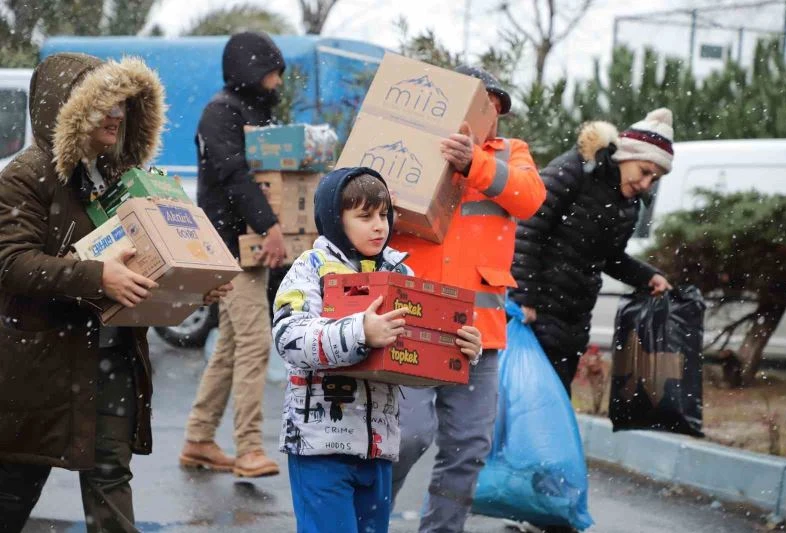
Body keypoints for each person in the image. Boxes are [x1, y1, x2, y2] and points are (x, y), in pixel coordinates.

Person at [0, 52, 231, 533]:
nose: (117, 115)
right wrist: (95, 276)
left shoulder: (116, 177)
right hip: (41, 365)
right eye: (104, 104)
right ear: (68, 108)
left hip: (110, 359)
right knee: (17, 482)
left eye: (123, 104)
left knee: (109, 478)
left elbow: (142, 264)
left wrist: (191, 289)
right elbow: (11, 263)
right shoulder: (25, 174)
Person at [272, 167, 483, 533]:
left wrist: (459, 349)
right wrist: (359, 333)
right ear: (335, 220)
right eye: (365, 216)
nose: (379, 226)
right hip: (320, 447)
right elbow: (289, 337)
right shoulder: (310, 269)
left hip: (378, 449)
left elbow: (415, 354)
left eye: (384, 215)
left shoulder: (400, 274)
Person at [389, 65, 547, 533]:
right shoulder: (413, 148)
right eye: (481, 105)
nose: (488, 116)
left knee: (469, 448)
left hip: (479, 333)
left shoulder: (509, 154)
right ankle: (368, 519)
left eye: (494, 108)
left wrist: (473, 162)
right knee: (405, 438)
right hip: (415, 321)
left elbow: (530, 198)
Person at [180, 31, 288, 477]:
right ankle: (249, 449)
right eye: (272, 72)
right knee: (254, 341)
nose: (277, 82)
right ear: (250, 68)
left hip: (249, 248)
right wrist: (270, 226)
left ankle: (198, 439)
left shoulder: (254, 112)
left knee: (229, 346)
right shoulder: (221, 113)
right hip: (230, 248)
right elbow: (235, 176)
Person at [511, 108, 674, 400]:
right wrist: (524, 298)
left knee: (553, 400)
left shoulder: (628, 204)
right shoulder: (575, 169)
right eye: (644, 171)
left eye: (655, 178)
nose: (646, 184)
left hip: (574, 319)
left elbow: (610, 257)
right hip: (535, 312)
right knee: (529, 402)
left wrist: (647, 277)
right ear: (626, 155)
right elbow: (527, 228)